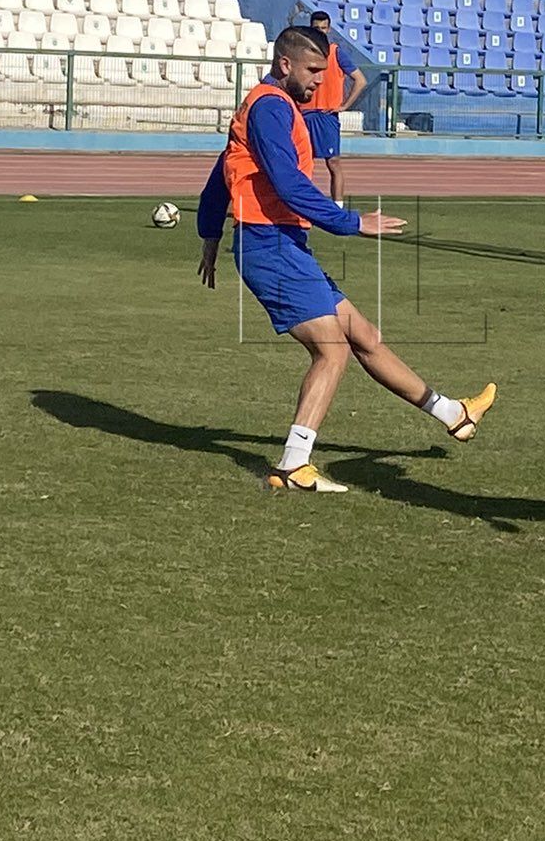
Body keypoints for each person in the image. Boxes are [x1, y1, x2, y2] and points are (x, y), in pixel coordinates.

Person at [198, 25, 495, 492]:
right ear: (286, 65)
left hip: (283, 245)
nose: (321, 80)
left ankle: (452, 413)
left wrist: (208, 232)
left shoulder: (270, 104)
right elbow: (287, 184)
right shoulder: (271, 107)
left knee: (363, 335)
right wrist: (352, 222)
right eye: (314, 71)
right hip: (269, 245)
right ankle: (294, 464)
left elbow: (223, 171)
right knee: (331, 350)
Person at [299, 7, 367, 204]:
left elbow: (360, 80)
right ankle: (300, 204)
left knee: (334, 162)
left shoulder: (336, 53)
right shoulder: (302, 54)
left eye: (324, 28)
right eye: (316, 28)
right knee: (302, 162)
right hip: (303, 114)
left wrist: (344, 106)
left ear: (329, 30)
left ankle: (337, 206)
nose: (320, 31)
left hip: (326, 116)